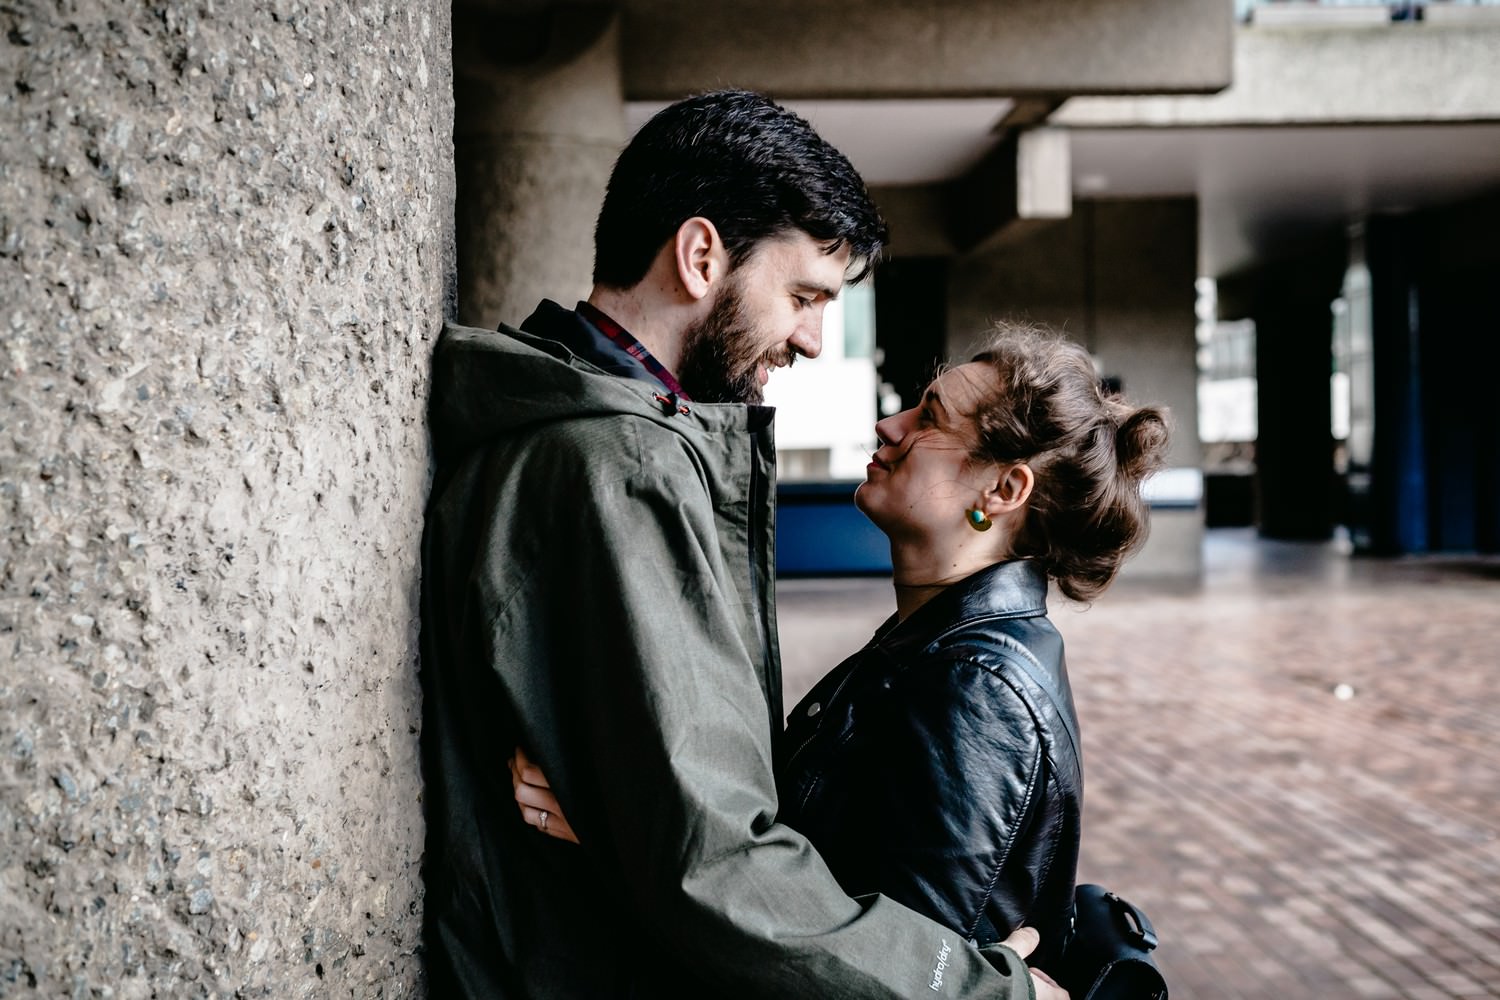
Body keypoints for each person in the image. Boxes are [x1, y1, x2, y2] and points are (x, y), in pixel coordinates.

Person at [421, 90, 1064, 998]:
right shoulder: (617, 461)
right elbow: (714, 857)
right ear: (699, 256)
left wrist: (624, 821)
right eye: (802, 294)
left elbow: (685, 820)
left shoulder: (581, 425)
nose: (811, 337)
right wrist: (992, 992)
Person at [513, 323, 1170, 987]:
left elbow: (884, 974)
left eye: (930, 417)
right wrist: (632, 820)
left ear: (1002, 492)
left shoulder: (978, 688)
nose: (890, 424)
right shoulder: (932, 642)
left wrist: (630, 852)